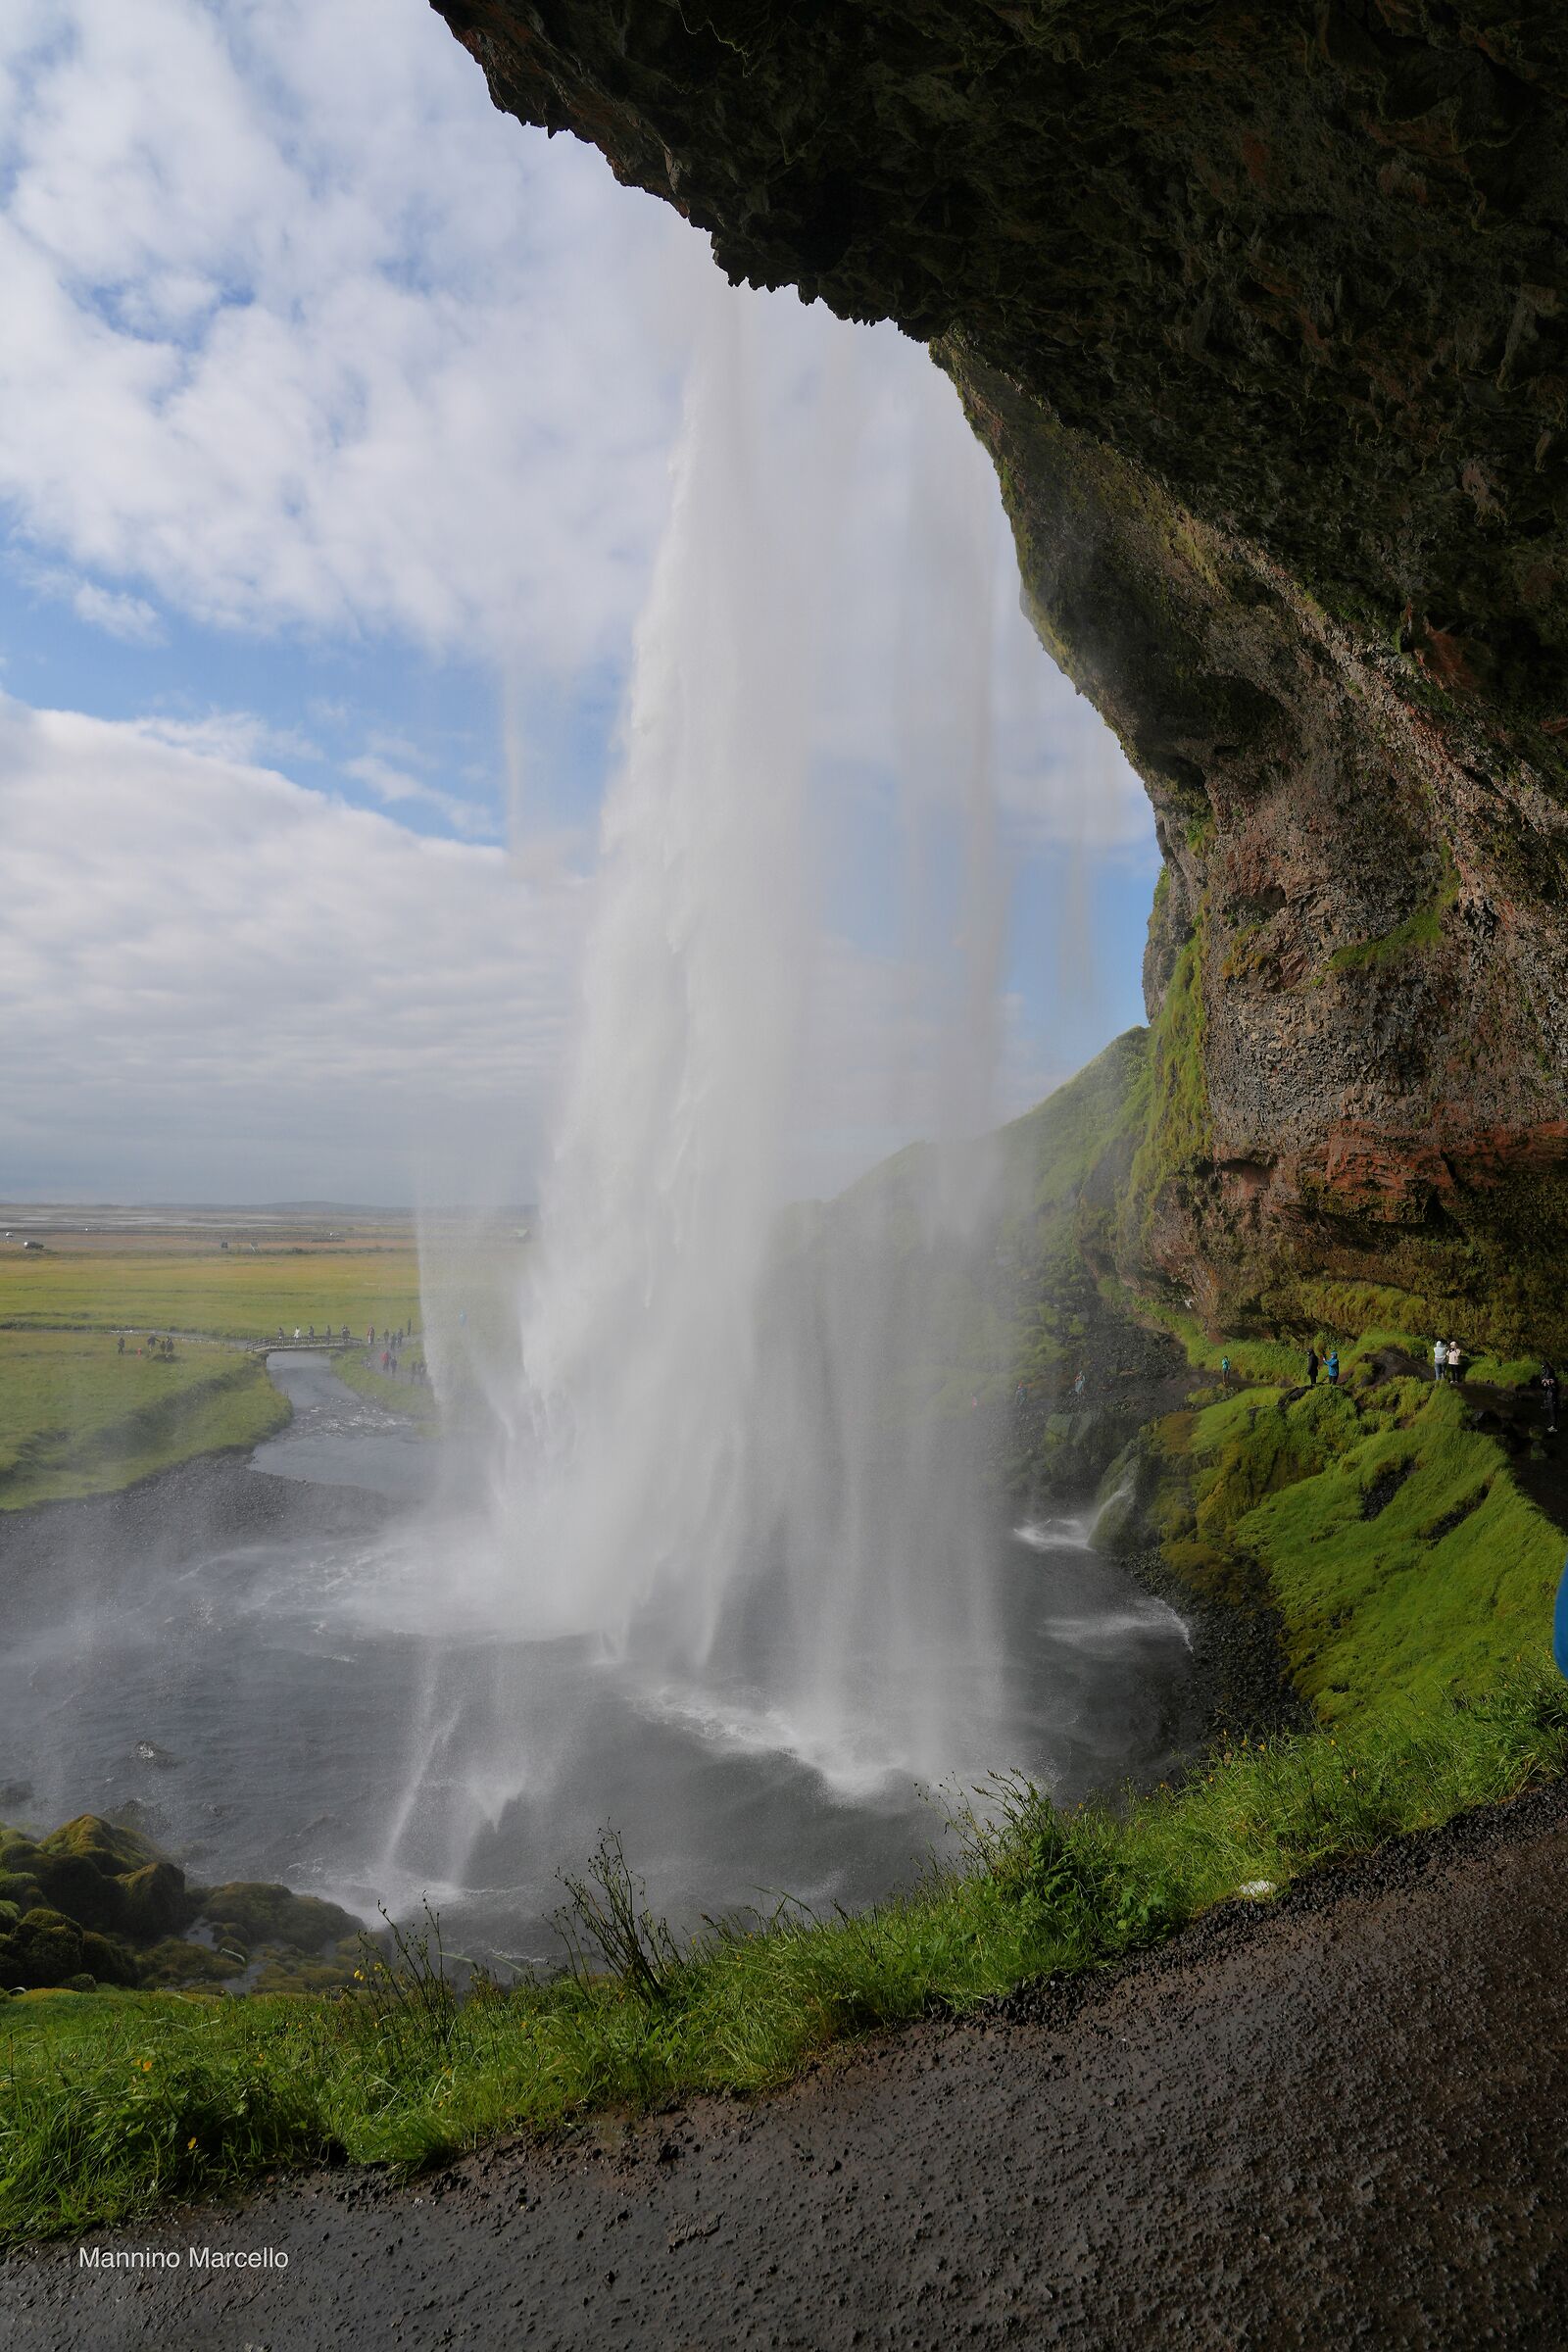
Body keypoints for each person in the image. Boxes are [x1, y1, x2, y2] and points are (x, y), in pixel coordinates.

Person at [1541, 1361, 1558, 1435]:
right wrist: (1545, 1381)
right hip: (1550, 1393)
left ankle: (1553, 1426)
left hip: (1552, 1394)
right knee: (1551, 1410)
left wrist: (1547, 1382)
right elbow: (1543, 1379)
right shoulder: (1548, 1371)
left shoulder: (1549, 1371)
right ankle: (1552, 1425)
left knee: (1552, 1410)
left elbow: (1551, 1384)